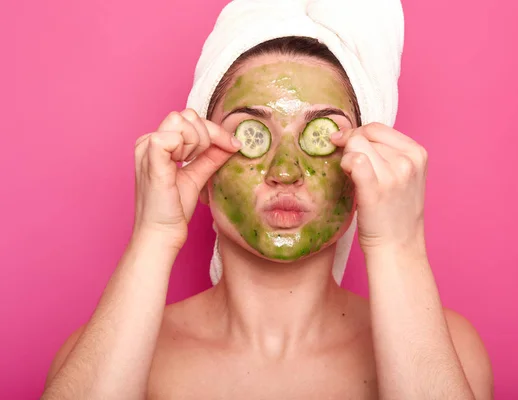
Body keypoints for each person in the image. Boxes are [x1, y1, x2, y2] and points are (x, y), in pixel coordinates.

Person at [42, 1, 493, 399]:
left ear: (363, 168)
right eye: (251, 135)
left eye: (320, 137)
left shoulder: (449, 350)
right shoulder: (108, 353)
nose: (285, 172)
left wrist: (400, 248)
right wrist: (153, 237)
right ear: (203, 163)